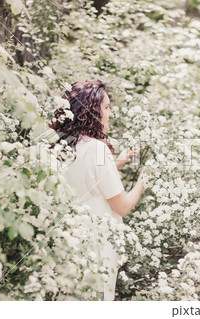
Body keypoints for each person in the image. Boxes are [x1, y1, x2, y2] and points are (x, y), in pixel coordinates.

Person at [50, 79, 145, 300]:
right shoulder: (98, 149)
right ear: (92, 112)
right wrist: (144, 179)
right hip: (95, 252)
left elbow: (87, 180)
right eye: (107, 107)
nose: (110, 114)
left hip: (68, 248)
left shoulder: (64, 144)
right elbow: (122, 207)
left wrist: (117, 162)